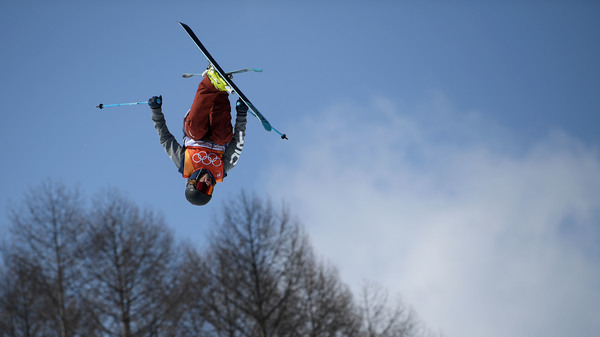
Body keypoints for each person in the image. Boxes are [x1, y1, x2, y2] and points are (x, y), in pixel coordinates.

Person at [149, 67, 248, 206]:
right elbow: (238, 143)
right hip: (217, 131)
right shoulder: (222, 169)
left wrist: (156, 111)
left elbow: (165, 139)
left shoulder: (185, 164)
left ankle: (209, 82)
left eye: (202, 187)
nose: (207, 184)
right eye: (209, 189)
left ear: (193, 182)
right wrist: (241, 115)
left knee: (196, 131)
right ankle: (220, 88)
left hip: (196, 127)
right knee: (222, 137)